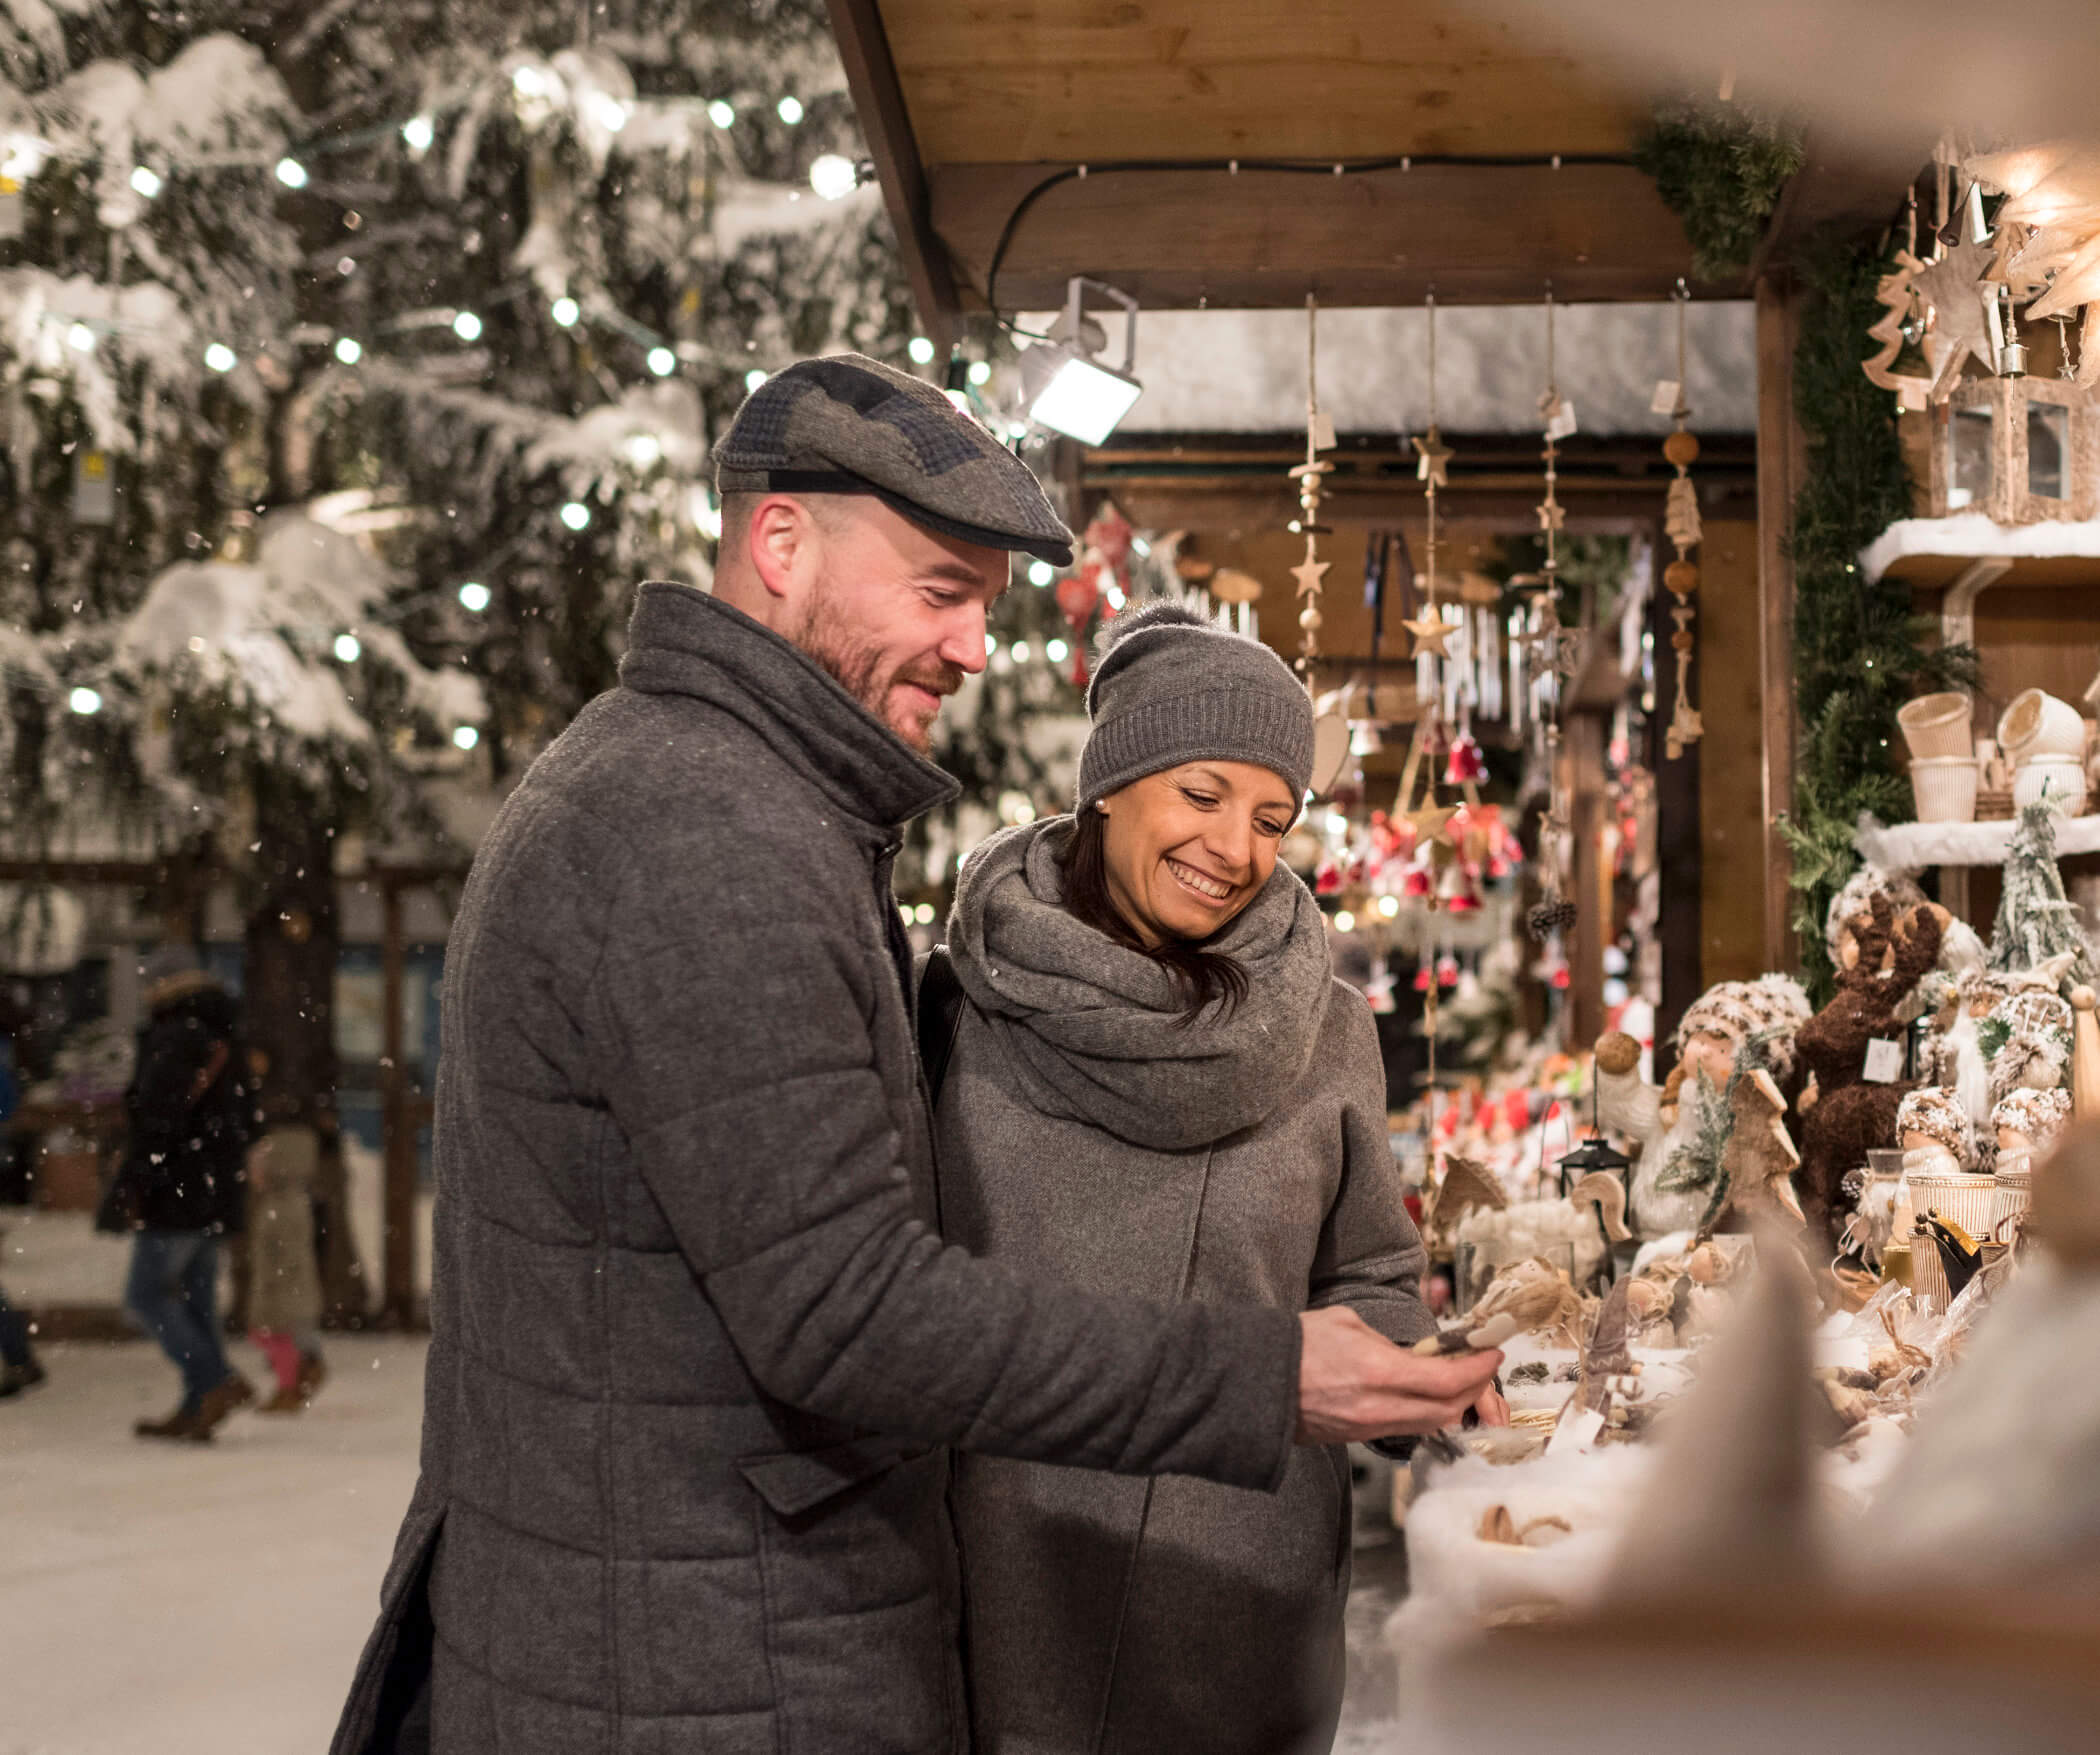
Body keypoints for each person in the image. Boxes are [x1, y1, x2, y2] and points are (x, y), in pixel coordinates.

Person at [332, 355, 1500, 1755]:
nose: (973, 648)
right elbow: (846, 1310)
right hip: (709, 1662)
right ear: (781, 542)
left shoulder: (721, 794)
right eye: (942, 591)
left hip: (706, 1628)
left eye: (984, 607)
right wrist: (1263, 1377)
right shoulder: (707, 835)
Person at [930, 603, 1504, 1754]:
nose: (1236, 850)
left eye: (1272, 819)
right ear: (1109, 784)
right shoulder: (954, 1007)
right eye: (1202, 795)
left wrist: (1424, 1380)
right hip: (1005, 1593)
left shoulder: (1327, 1026)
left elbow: (1368, 1274)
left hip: (1242, 1601)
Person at [101, 946, 255, 1441]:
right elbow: (248, 1116)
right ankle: (197, 1406)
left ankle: (214, 1380)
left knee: (145, 1297)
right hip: (214, 1190)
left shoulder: (174, 1036)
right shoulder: (222, 1033)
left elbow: (156, 1122)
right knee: (195, 1300)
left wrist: (131, 1185)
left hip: (177, 1190)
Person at [243, 1081, 328, 1413]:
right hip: (286, 1291)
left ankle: (291, 1385)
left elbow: (282, 1256)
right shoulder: (289, 1202)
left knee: (277, 1337)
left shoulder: (280, 1207)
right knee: (285, 1337)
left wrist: (273, 1285)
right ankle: (297, 1378)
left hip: (281, 1292)